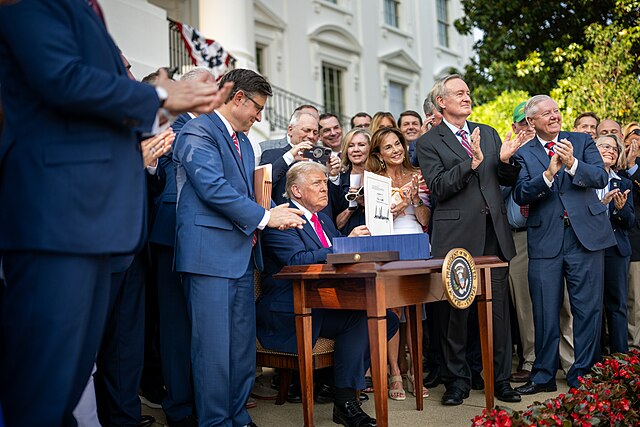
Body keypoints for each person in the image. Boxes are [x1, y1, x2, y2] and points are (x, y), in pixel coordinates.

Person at [0, 1, 229, 426]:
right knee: (42, 382)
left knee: (68, 378)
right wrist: (159, 95)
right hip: (58, 218)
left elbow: (94, 111)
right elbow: (61, 80)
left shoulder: (88, 11)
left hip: (100, 224)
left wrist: (162, 109)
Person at [173, 68, 305, 427]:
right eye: (257, 108)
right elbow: (212, 187)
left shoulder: (245, 144)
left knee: (242, 350)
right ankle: (215, 421)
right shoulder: (197, 130)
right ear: (238, 98)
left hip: (242, 259)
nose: (259, 117)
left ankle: (236, 416)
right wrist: (266, 218)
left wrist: (269, 212)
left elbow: (245, 194)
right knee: (213, 351)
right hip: (207, 257)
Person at [257, 161, 399, 427]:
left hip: (322, 303)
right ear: (296, 191)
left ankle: (339, 386)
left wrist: (352, 243)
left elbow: (334, 257)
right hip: (289, 308)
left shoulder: (321, 219)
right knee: (362, 319)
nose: (325, 188)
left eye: (325, 182)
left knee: (386, 319)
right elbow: (297, 260)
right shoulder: (283, 217)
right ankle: (345, 400)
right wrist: (343, 244)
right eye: (317, 183)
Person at [416, 74, 525, 406]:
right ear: (441, 102)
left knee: (498, 314)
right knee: (456, 313)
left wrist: (506, 160)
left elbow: (501, 179)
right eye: (458, 93)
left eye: (467, 92)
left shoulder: (488, 132)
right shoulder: (428, 142)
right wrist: (472, 162)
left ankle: (500, 379)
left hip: (494, 234)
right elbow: (438, 187)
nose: (466, 97)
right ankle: (458, 381)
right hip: (457, 238)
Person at [512, 95, 616, 394]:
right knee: (545, 310)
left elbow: (598, 177)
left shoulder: (581, 142)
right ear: (532, 121)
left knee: (588, 309)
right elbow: (520, 194)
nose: (554, 116)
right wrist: (548, 174)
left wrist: (572, 164)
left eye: (556, 111)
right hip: (546, 240)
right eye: (546, 113)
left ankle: (583, 374)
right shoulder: (524, 153)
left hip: (586, 238)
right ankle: (543, 375)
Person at [366, 127, 431, 400]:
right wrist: (393, 208)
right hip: (388, 244)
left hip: (415, 242)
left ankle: (415, 370)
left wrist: (414, 200)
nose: (395, 150)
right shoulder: (373, 180)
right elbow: (373, 223)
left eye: (398, 144)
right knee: (392, 310)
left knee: (416, 308)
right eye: (388, 147)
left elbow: (426, 219)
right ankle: (394, 371)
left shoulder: (419, 175)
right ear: (379, 154)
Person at [594, 135, 635, 354]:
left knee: (617, 305)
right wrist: (602, 205)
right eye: (604, 146)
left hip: (616, 250)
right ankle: (596, 360)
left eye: (614, 148)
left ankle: (620, 359)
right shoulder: (583, 180)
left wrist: (619, 209)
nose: (610, 150)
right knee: (593, 306)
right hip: (590, 249)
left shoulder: (624, 183)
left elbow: (629, 222)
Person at [619, 122, 640, 347]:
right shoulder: (602, 161)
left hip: (634, 241)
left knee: (634, 298)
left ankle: (634, 349)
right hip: (603, 243)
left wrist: (633, 165)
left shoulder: (636, 167)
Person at [331, 129, 371, 235]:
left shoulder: (379, 177)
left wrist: (364, 202)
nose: (356, 149)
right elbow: (336, 224)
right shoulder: (339, 181)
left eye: (361, 145)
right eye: (351, 145)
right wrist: (352, 206)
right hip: (349, 238)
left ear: (370, 148)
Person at [254, 104, 320, 164]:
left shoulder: (320, 156)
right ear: (290, 130)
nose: (311, 136)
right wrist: (289, 157)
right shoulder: (265, 148)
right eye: (306, 130)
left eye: (315, 133)